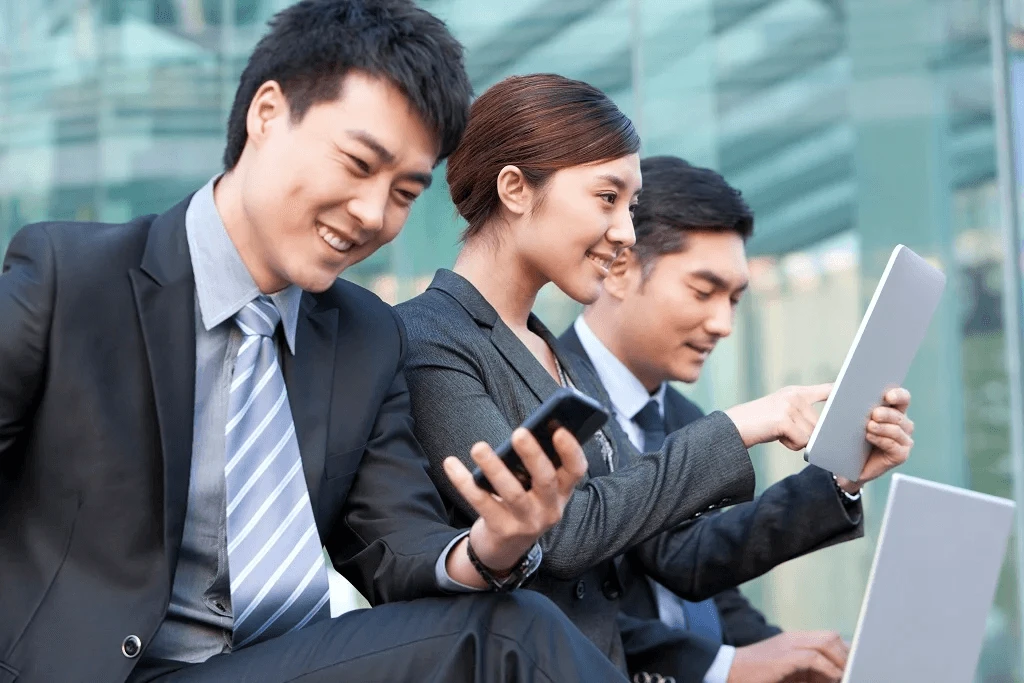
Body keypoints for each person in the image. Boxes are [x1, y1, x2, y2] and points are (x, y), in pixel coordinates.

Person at [0, 3, 634, 682]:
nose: (372, 214)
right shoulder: (70, 278)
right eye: (359, 163)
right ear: (267, 114)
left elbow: (397, 548)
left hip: (279, 663)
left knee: (514, 624)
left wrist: (493, 543)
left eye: (404, 191)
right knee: (519, 638)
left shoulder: (366, 336)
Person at [396, 74, 914, 679]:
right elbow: (559, 537)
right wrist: (747, 423)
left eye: (631, 206)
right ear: (514, 187)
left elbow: (666, 548)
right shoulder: (430, 336)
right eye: (607, 198)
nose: (625, 233)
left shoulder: (553, 356)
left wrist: (839, 475)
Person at [559, 156, 901, 683]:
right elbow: (564, 612)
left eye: (736, 299)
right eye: (703, 291)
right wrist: (726, 667)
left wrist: (798, 661)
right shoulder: (547, 397)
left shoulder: (682, 416)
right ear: (621, 268)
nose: (723, 323)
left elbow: (707, 584)